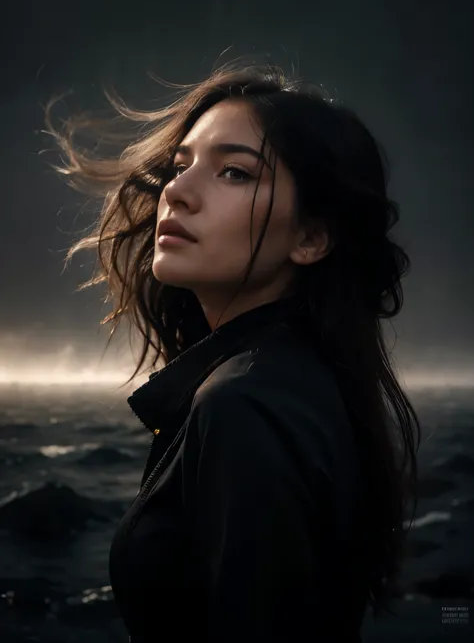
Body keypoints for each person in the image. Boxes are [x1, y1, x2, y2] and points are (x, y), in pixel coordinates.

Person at [47, 58, 421, 642]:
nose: (178, 192)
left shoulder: (244, 405)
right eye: (180, 166)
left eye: (235, 174)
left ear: (311, 238)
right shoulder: (297, 383)